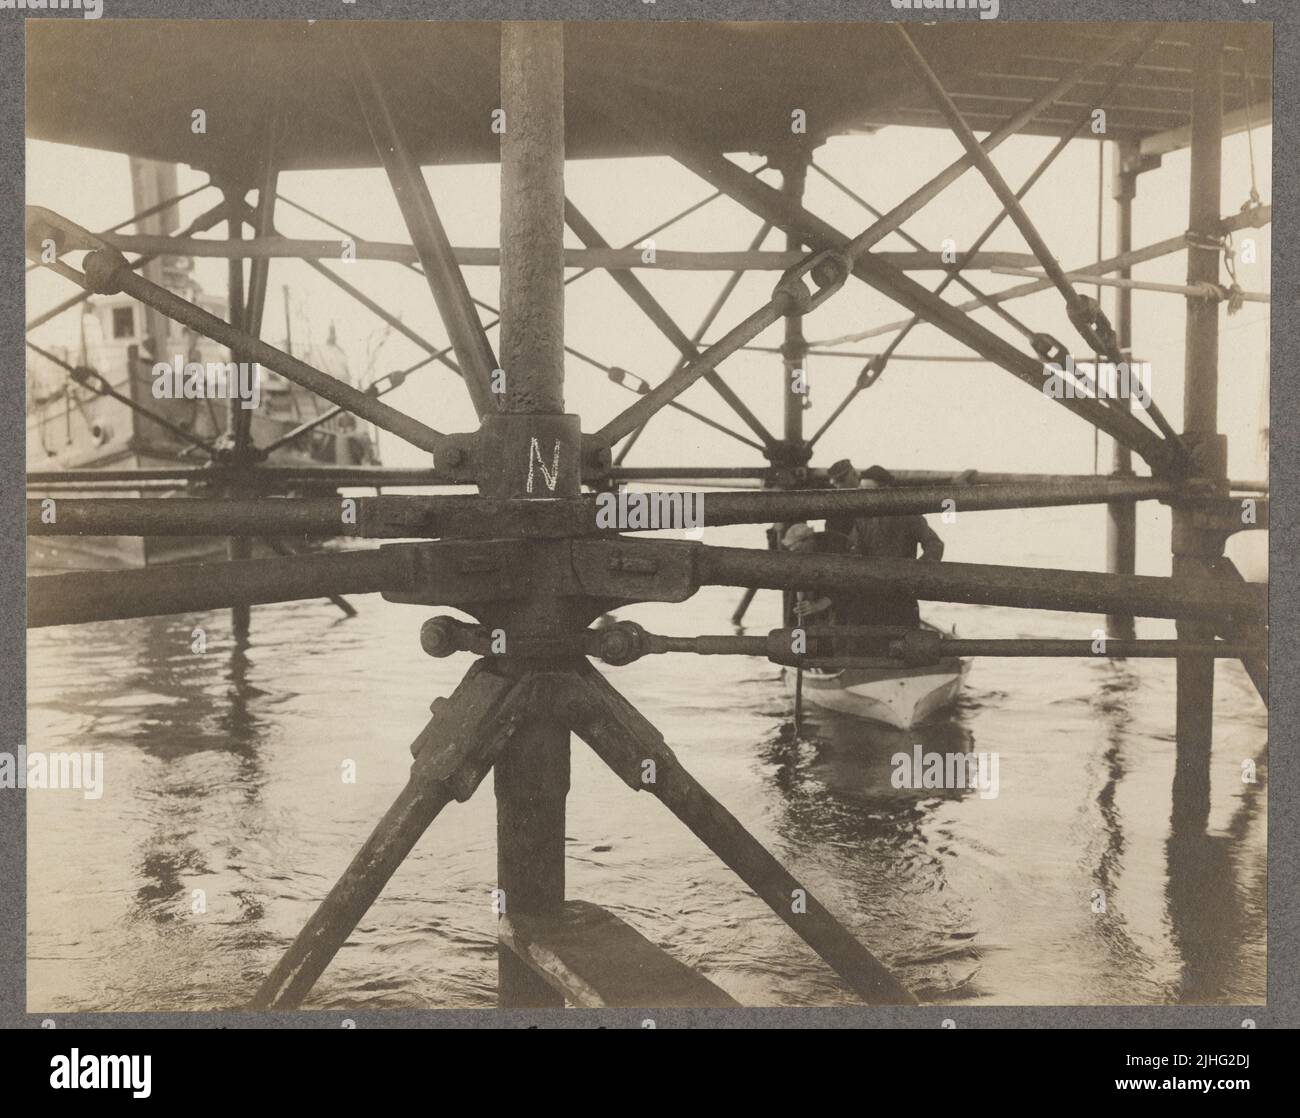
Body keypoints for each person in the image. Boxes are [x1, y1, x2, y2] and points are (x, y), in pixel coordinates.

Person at [825, 459, 944, 628]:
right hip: (871, 596)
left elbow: (934, 544)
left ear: (885, 490)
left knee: (901, 639)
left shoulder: (909, 515)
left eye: (869, 491)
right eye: (862, 491)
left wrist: (919, 571)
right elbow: (855, 552)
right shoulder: (862, 519)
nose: (865, 496)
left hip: (901, 594)